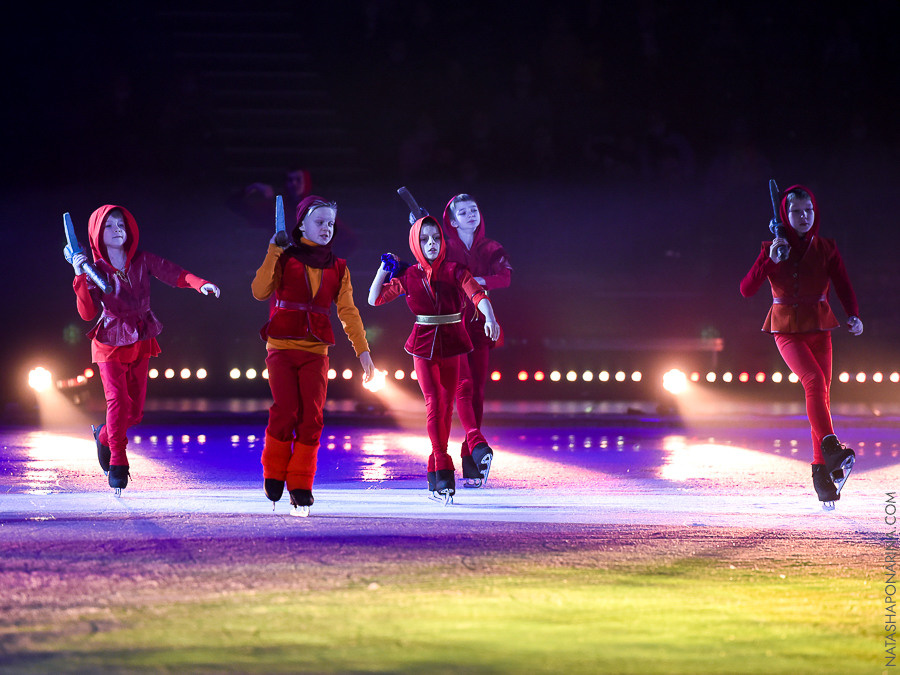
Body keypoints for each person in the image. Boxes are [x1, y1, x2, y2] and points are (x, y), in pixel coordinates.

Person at [70, 205, 220, 494]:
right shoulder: (94, 270)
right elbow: (87, 313)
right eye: (109, 225)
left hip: (140, 336)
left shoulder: (142, 260)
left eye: (121, 225)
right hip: (109, 340)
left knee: (134, 413)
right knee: (117, 401)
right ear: (97, 233)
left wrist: (200, 285)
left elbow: (176, 274)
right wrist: (79, 276)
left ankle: (104, 435)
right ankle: (118, 461)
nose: (117, 230)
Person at [252, 195, 375, 517]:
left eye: (331, 223)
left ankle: (301, 484)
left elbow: (348, 311)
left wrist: (363, 352)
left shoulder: (339, 267)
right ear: (302, 224)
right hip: (281, 347)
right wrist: (273, 250)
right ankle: (274, 472)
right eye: (319, 222)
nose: (326, 228)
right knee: (286, 410)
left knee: (313, 418)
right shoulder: (284, 256)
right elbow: (259, 291)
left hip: (316, 351)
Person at [739, 184, 862, 508]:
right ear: (785, 215)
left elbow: (843, 283)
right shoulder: (772, 247)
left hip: (820, 327)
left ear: (814, 212)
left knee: (821, 396)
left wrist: (853, 315)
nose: (803, 216)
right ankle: (831, 447)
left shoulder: (826, 247)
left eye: (808, 211)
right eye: (796, 212)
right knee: (813, 381)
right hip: (787, 330)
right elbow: (746, 290)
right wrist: (769, 259)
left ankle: (821, 475)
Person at [368, 215, 500, 503]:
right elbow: (374, 299)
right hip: (424, 344)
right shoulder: (409, 276)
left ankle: (459, 455)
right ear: (416, 243)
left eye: (436, 238)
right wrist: (383, 269)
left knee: (452, 400)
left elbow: (476, 293)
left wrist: (489, 316)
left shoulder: (455, 270)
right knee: (435, 404)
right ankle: (442, 463)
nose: (431, 243)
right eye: (425, 239)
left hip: (452, 342)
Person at [442, 194, 512, 487]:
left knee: (479, 393)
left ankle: (470, 459)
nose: (470, 215)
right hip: (453, 322)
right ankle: (476, 442)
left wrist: (476, 280)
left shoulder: (490, 247)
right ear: (453, 220)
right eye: (463, 212)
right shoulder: (445, 246)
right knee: (464, 385)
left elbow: (505, 278)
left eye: (474, 210)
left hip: (481, 322)